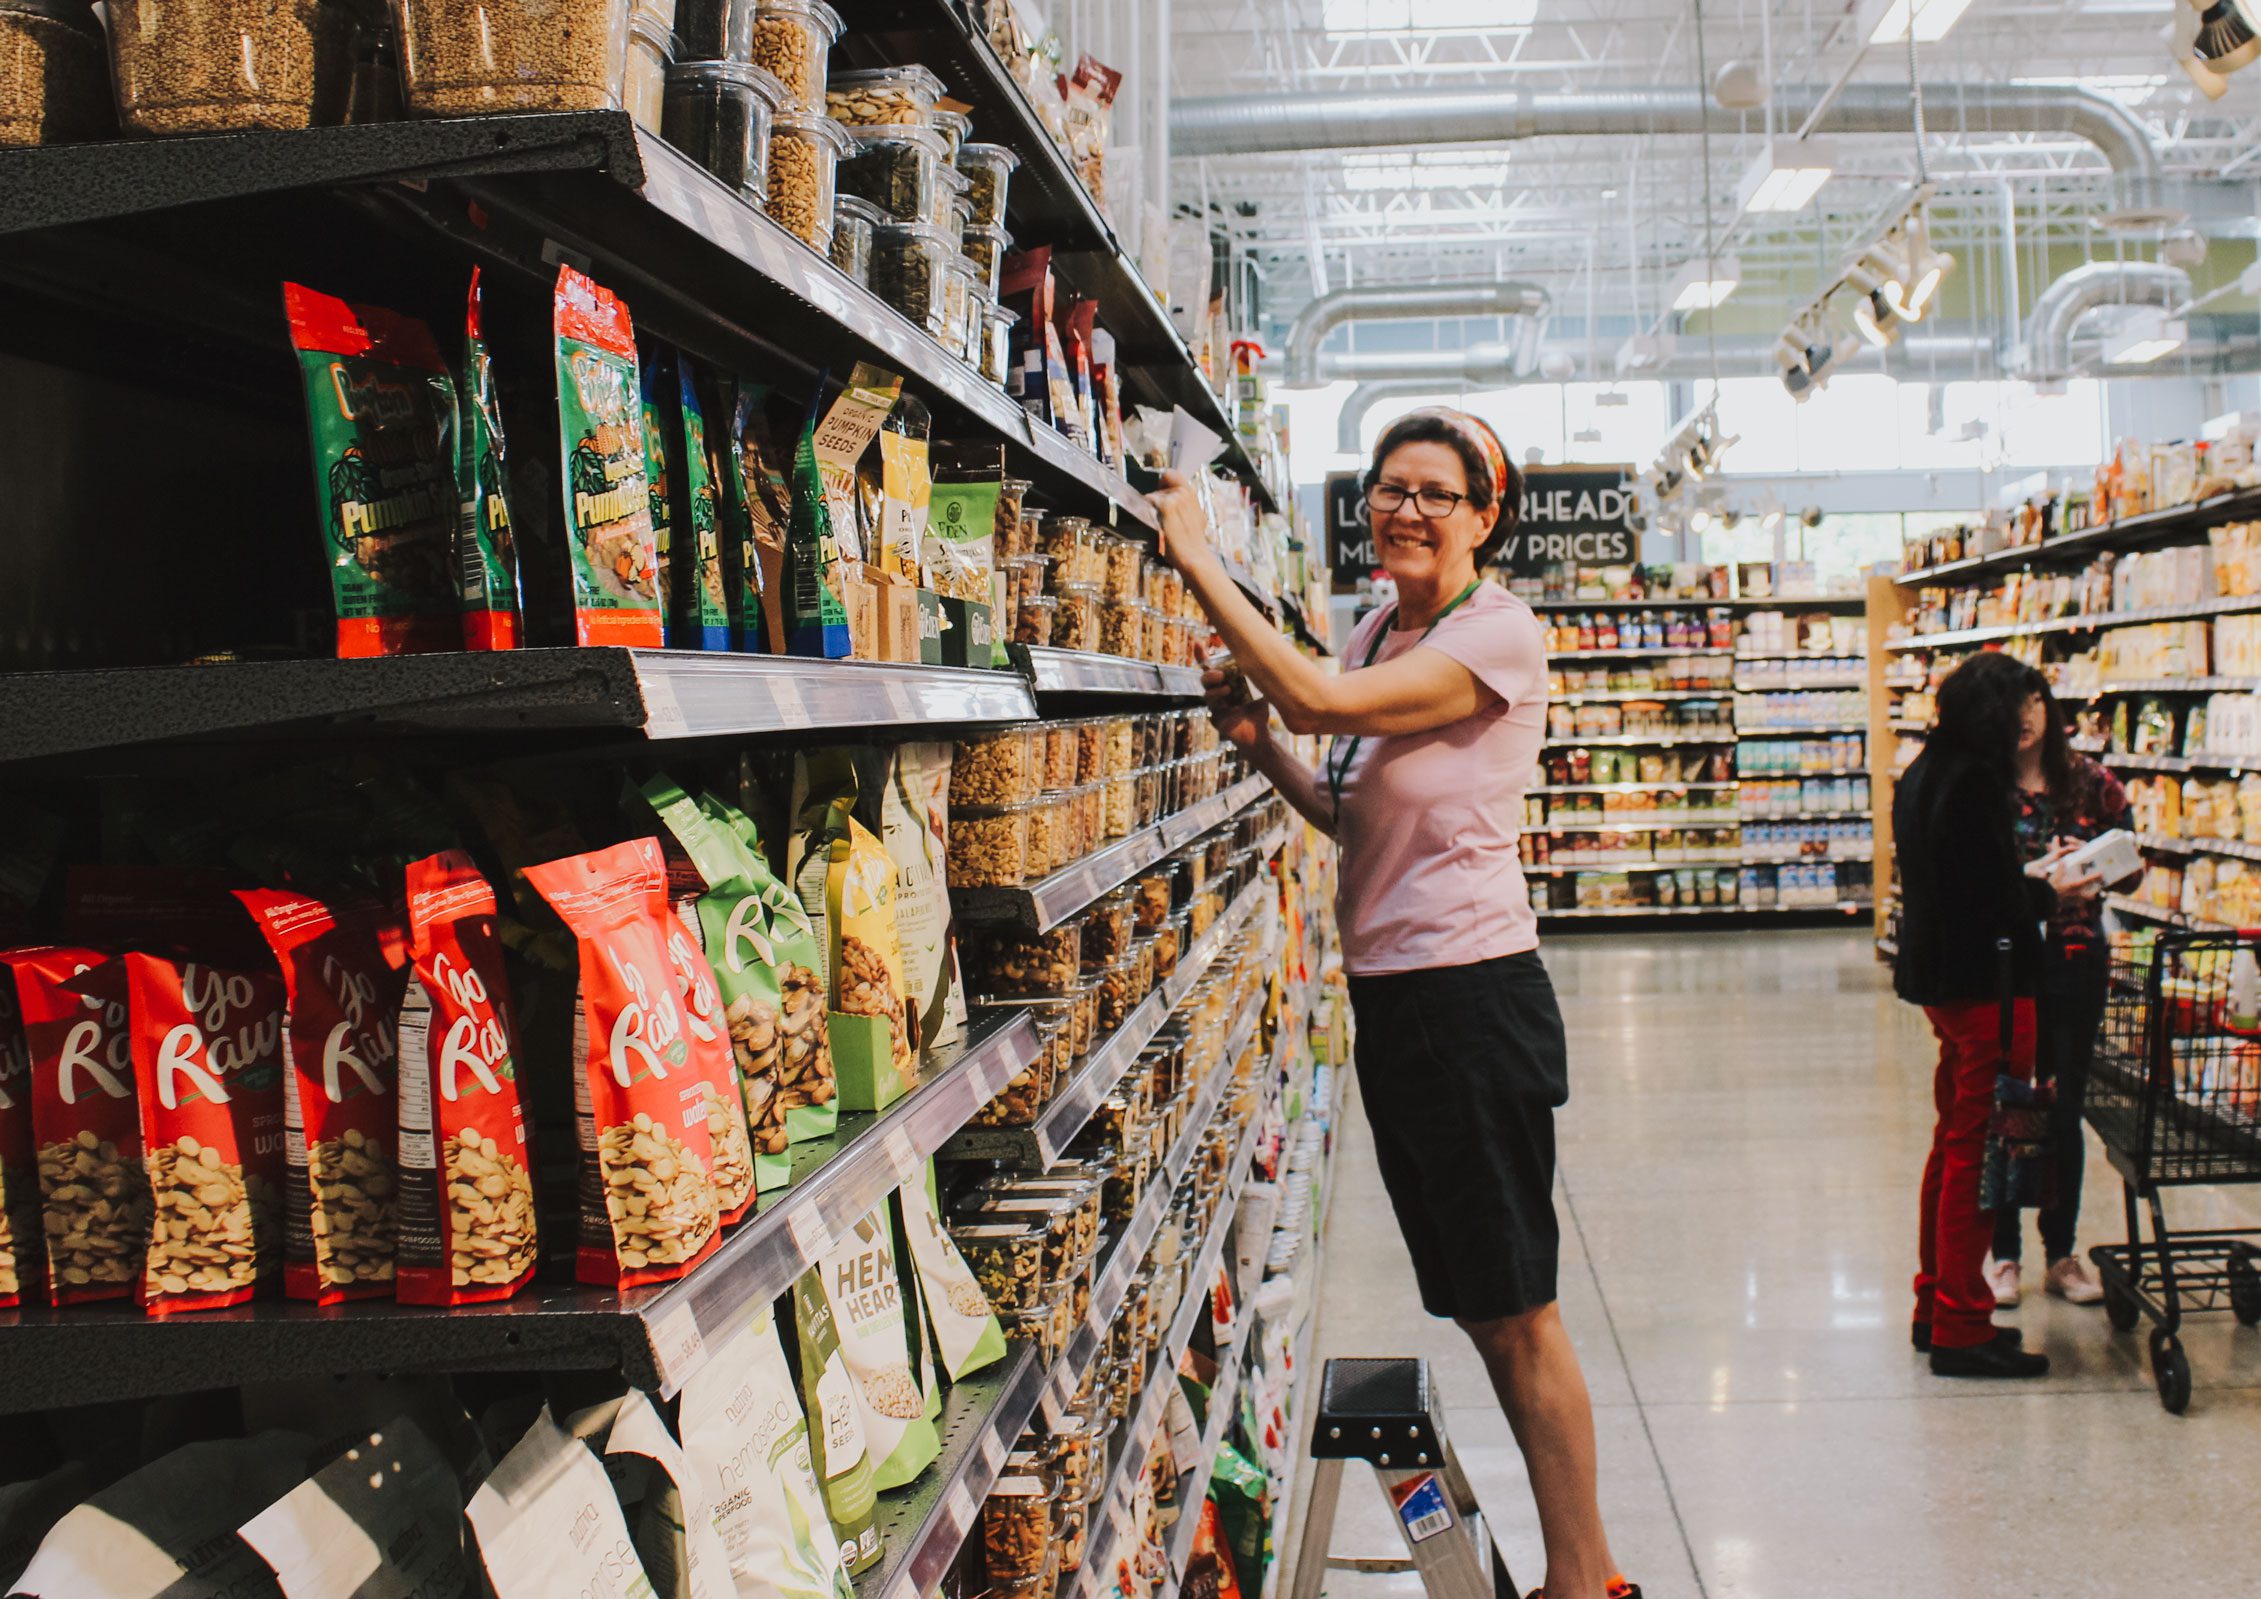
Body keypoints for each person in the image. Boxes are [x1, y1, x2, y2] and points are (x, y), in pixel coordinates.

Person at [1150, 408, 1637, 1599]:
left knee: (1519, 1311)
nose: (1405, 509)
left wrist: (1200, 557)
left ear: (1484, 515)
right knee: (1482, 1304)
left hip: (1471, 1001)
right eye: (1387, 488)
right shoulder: (1372, 629)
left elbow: (1319, 701)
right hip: (1401, 1008)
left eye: (1434, 491)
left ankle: (1589, 1584)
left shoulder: (1497, 633)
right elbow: (1346, 810)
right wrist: (1257, 745)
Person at [1892, 650, 2081, 1379]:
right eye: (2021, 705)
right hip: (1988, 987)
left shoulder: (1924, 769)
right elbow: (1984, 900)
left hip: (1946, 985)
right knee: (1977, 1154)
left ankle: (1937, 1301)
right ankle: (1962, 1328)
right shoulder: (1972, 781)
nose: (2030, 720)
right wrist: (2050, 893)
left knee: (1951, 1143)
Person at [1986, 672, 2133, 1308]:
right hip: (2007, 965)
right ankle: (2004, 1253)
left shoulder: (2092, 783)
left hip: (2075, 961)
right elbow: (1967, 877)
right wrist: (2028, 878)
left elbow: (2132, 867)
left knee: (2065, 1104)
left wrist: (2094, 866)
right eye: (2010, 706)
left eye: (2033, 702)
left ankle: (2062, 1252)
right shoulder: (1984, 786)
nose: (2023, 716)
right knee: (2006, 1105)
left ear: (2051, 707)